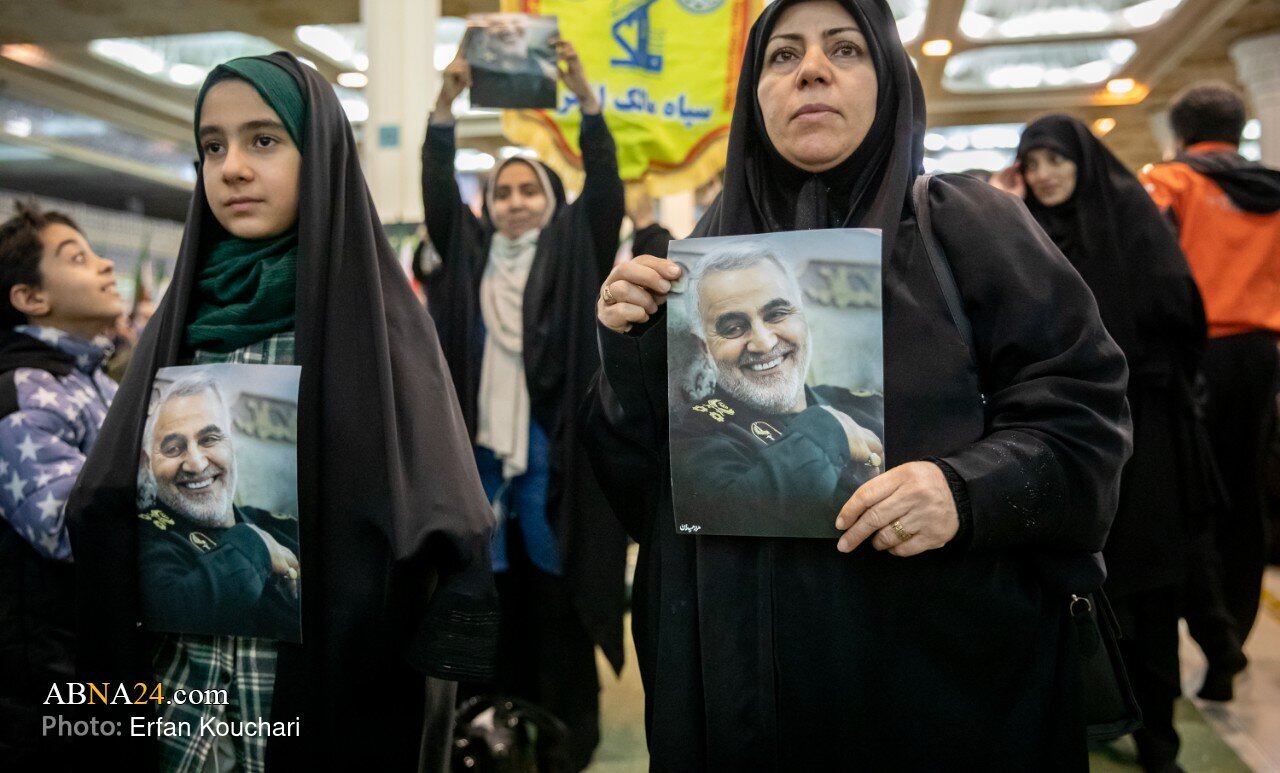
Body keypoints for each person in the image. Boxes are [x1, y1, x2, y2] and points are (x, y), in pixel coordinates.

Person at [583, 0, 1132, 769]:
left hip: (938, 691)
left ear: (890, 80)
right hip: (742, 697)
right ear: (754, 98)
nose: (811, 69)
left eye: (844, 49)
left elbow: (1084, 420)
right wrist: (628, 352)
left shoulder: (964, 227)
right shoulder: (698, 258)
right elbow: (644, 489)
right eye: (781, 56)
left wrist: (966, 491)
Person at [67, 52, 499, 772]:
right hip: (182, 695)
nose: (232, 168)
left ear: (320, 153)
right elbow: (108, 494)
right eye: (212, 146)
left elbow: (438, 507)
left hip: (320, 690)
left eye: (263, 140)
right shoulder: (182, 318)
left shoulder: (377, 326)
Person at [422, 40, 626, 770]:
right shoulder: (469, 254)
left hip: (555, 459)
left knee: (553, 594)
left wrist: (585, 96)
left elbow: (605, 190)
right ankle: (485, 727)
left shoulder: (575, 253)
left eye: (528, 191)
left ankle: (563, 733)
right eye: (502, 191)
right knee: (488, 589)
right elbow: (438, 194)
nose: (513, 203)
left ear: (551, 201)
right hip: (480, 457)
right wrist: (444, 105)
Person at [999, 113, 1216, 772]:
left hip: (1146, 437)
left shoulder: (1130, 219)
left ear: (1084, 161)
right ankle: (1095, 710)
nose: (1045, 175)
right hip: (1067, 437)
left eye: (1056, 159)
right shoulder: (1026, 232)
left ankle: (1159, 738)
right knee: (1082, 585)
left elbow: (1181, 313)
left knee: (1148, 586)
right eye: (1033, 163)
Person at [1141, 82, 1280, 695]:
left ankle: (1204, 634)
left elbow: (1146, 266)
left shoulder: (1171, 182)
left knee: (1189, 496)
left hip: (1194, 358)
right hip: (1262, 356)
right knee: (1247, 495)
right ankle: (1234, 638)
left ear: (1180, 133)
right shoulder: (1274, 190)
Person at [0, 203, 121, 770]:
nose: (105, 265)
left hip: (96, 655)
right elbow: (66, 524)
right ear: (30, 297)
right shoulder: (24, 388)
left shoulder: (93, 381)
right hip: (46, 684)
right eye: (77, 258)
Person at [670, 242, 884, 537]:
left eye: (777, 314)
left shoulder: (868, 406)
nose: (764, 343)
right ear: (704, 346)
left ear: (802, 317)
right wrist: (824, 431)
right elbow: (731, 516)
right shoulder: (691, 435)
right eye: (733, 328)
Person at [137, 374, 301, 641]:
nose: (197, 464)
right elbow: (169, 613)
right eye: (173, 448)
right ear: (147, 463)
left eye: (209, 439)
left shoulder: (284, 527)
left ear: (231, 443)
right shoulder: (140, 538)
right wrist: (252, 546)